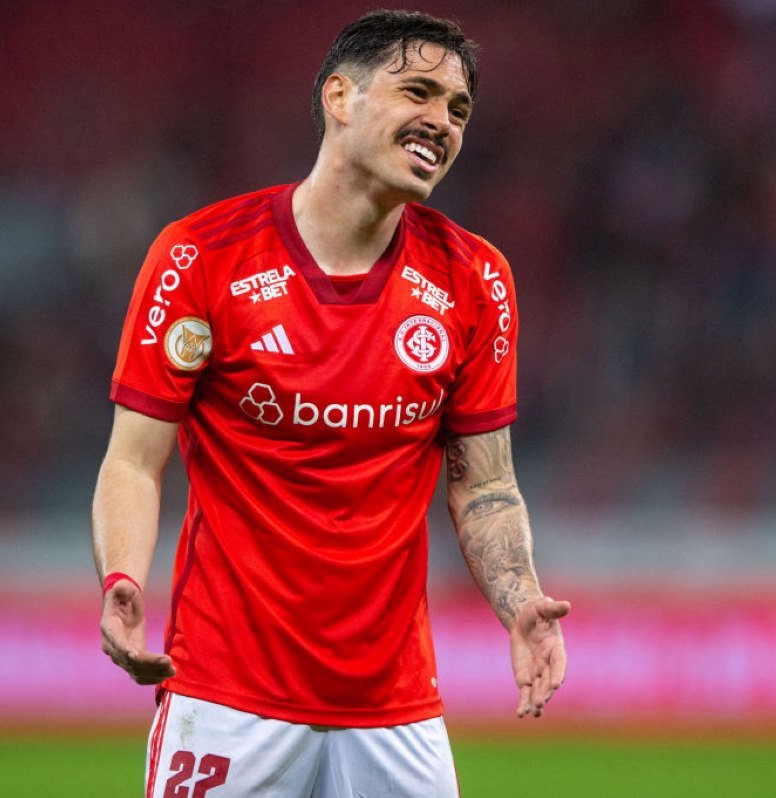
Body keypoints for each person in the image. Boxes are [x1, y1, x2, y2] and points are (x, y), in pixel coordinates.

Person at [91, 10, 569, 797]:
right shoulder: (199, 257)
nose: (442, 123)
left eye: (458, 110)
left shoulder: (476, 279)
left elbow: (484, 483)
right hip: (225, 691)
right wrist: (123, 580)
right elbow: (134, 460)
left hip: (394, 706)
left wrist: (517, 602)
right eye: (418, 91)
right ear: (340, 97)